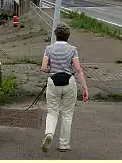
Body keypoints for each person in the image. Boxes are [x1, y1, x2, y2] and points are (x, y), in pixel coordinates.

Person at [40, 23, 89, 153]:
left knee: (52, 112)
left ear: (56, 35)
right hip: (69, 83)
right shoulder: (72, 49)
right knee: (67, 114)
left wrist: (53, 70)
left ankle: (49, 133)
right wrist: (84, 88)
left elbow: (44, 67)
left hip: (53, 82)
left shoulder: (49, 49)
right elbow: (78, 69)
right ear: (68, 36)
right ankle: (64, 144)